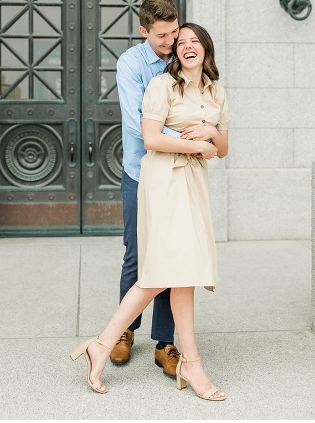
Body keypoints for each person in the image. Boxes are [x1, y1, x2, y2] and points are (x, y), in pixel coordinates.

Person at [71, 22, 229, 401]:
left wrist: (209, 135)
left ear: (206, 48)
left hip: (193, 184)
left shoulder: (217, 92)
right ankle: (179, 360)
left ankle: (106, 345)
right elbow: (151, 137)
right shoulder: (162, 85)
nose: (186, 46)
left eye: (194, 41)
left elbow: (222, 148)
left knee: (181, 273)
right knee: (164, 271)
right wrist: (197, 146)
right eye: (181, 42)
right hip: (164, 181)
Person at [109, 0, 180, 377]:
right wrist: (186, 138)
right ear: (143, 31)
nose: (170, 41)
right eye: (161, 35)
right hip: (140, 172)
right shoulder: (131, 63)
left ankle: (165, 342)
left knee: (172, 257)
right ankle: (125, 330)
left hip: (177, 175)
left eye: (174, 32)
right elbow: (139, 124)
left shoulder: (185, 53)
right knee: (136, 254)